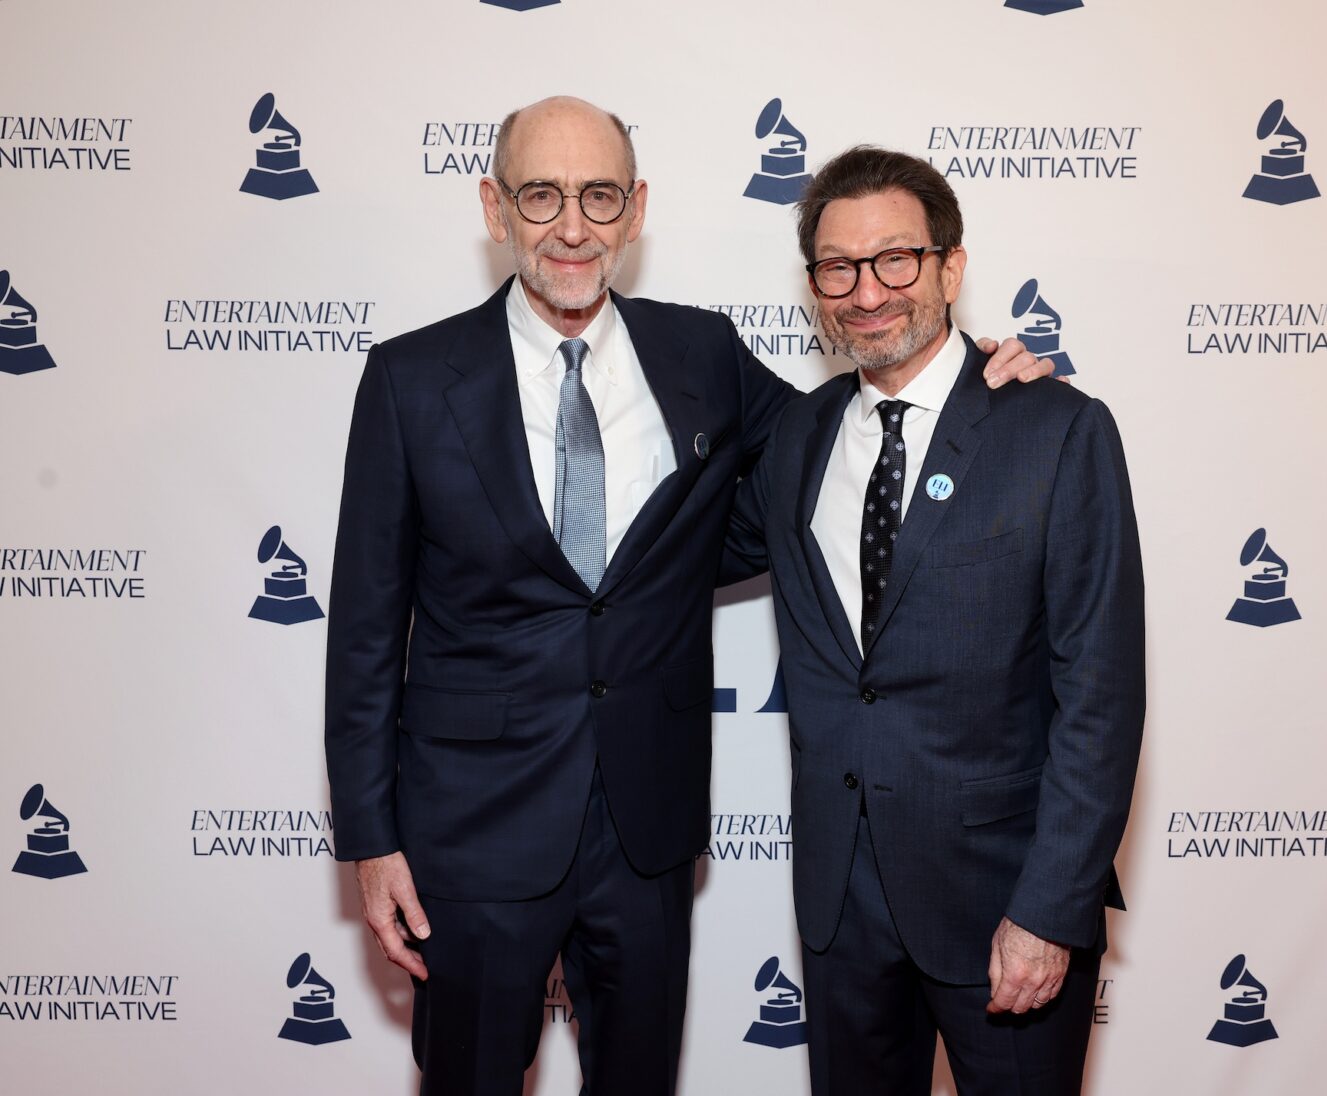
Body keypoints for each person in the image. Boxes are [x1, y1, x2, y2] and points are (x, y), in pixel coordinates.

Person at [324, 98, 1050, 1096]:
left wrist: (978, 385)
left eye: (599, 196)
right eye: (541, 196)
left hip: (649, 832)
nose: (572, 226)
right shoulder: (409, 380)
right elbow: (364, 634)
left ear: (635, 210)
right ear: (495, 208)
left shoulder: (699, 354)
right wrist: (371, 840)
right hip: (471, 834)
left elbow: (848, 437)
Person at [723, 145, 1145, 1095]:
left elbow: (1101, 699)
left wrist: (1050, 910)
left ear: (951, 268)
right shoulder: (798, 438)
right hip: (840, 907)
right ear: (813, 286)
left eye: (896, 259)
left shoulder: (1056, 431)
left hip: (1004, 902)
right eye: (839, 267)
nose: (868, 291)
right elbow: (670, 554)